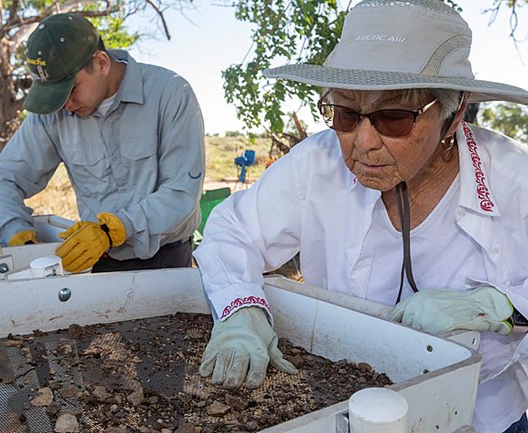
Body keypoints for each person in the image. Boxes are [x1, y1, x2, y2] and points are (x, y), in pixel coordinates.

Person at [193, 1, 528, 432]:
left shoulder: (515, 179)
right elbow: (232, 231)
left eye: (393, 117)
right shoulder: (316, 162)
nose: (363, 142)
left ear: (454, 113)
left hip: (481, 411)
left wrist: (500, 305)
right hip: (342, 405)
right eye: (346, 114)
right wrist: (241, 310)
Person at [0, 13, 205, 273]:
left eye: (71, 88)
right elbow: (4, 179)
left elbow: (181, 193)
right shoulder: (54, 113)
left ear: (101, 63)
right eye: (53, 94)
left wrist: (119, 229)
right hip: (94, 260)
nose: (64, 103)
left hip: (166, 258)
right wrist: (15, 228)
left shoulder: (170, 94)